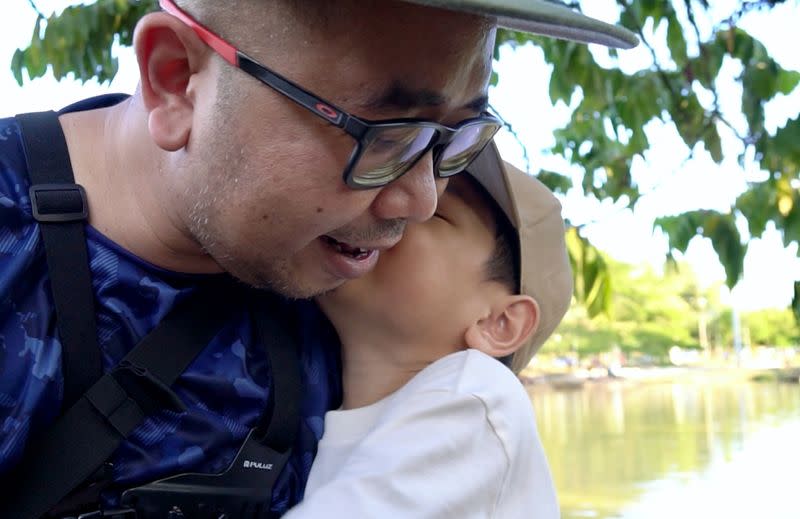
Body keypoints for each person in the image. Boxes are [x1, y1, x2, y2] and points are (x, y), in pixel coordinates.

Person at [0, 0, 637, 517]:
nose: (420, 200)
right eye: (381, 135)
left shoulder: (361, 313)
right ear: (176, 80)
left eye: (457, 140)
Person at [280, 144, 572, 518]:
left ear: (499, 324)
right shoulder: (319, 413)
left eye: (435, 213)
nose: (386, 206)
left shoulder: (477, 397)